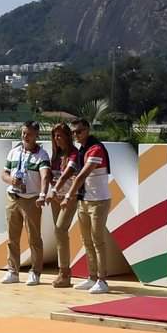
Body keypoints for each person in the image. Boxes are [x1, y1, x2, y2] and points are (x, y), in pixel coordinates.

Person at [56, 118, 115, 294]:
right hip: (84, 200)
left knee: (98, 240)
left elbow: (82, 175)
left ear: (88, 130)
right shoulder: (82, 150)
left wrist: (68, 195)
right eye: (73, 132)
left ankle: (102, 280)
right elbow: (76, 175)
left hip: (99, 201)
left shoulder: (96, 148)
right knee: (86, 241)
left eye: (79, 131)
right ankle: (92, 277)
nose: (76, 135)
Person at [0, 121, 52, 286]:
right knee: (12, 237)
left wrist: (43, 194)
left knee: (34, 238)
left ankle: (35, 272)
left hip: (31, 200)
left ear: (36, 135)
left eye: (29, 134)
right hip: (13, 197)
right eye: (23, 133)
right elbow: (4, 173)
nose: (25, 136)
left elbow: (45, 176)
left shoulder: (42, 155)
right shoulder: (14, 152)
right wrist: (12, 180)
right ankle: (12, 271)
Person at [44, 122, 82, 288]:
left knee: (60, 230)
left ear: (67, 136)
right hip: (56, 199)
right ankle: (63, 272)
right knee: (59, 233)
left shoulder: (74, 153)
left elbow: (67, 175)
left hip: (70, 197)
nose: (57, 138)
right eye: (55, 136)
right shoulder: (54, 157)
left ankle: (65, 273)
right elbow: (50, 177)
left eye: (60, 135)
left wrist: (55, 191)